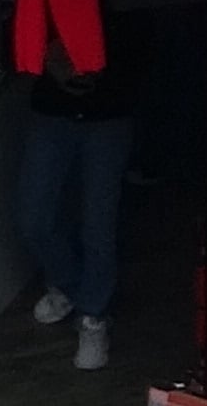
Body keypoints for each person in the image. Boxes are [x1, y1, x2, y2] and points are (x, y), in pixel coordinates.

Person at [15, 61, 136, 370]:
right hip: (52, 110)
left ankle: (93, 316)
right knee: (34, 219)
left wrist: (101, 70)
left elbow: (142, 39)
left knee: (99, 223)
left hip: (109, 112)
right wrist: (46, 59)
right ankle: (69, 286)